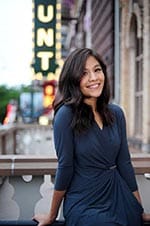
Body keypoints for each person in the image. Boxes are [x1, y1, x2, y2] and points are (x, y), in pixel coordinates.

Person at [33, 48, 150, 226]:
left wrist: (138, 209)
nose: (94, 78)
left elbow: (124, 163)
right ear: (73, 79)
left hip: (119, 196)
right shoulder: (65, 115)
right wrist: (52, 215)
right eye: (84, 73)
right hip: (85, 202)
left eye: (97, 70)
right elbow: (65, 166)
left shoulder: (116, 113)